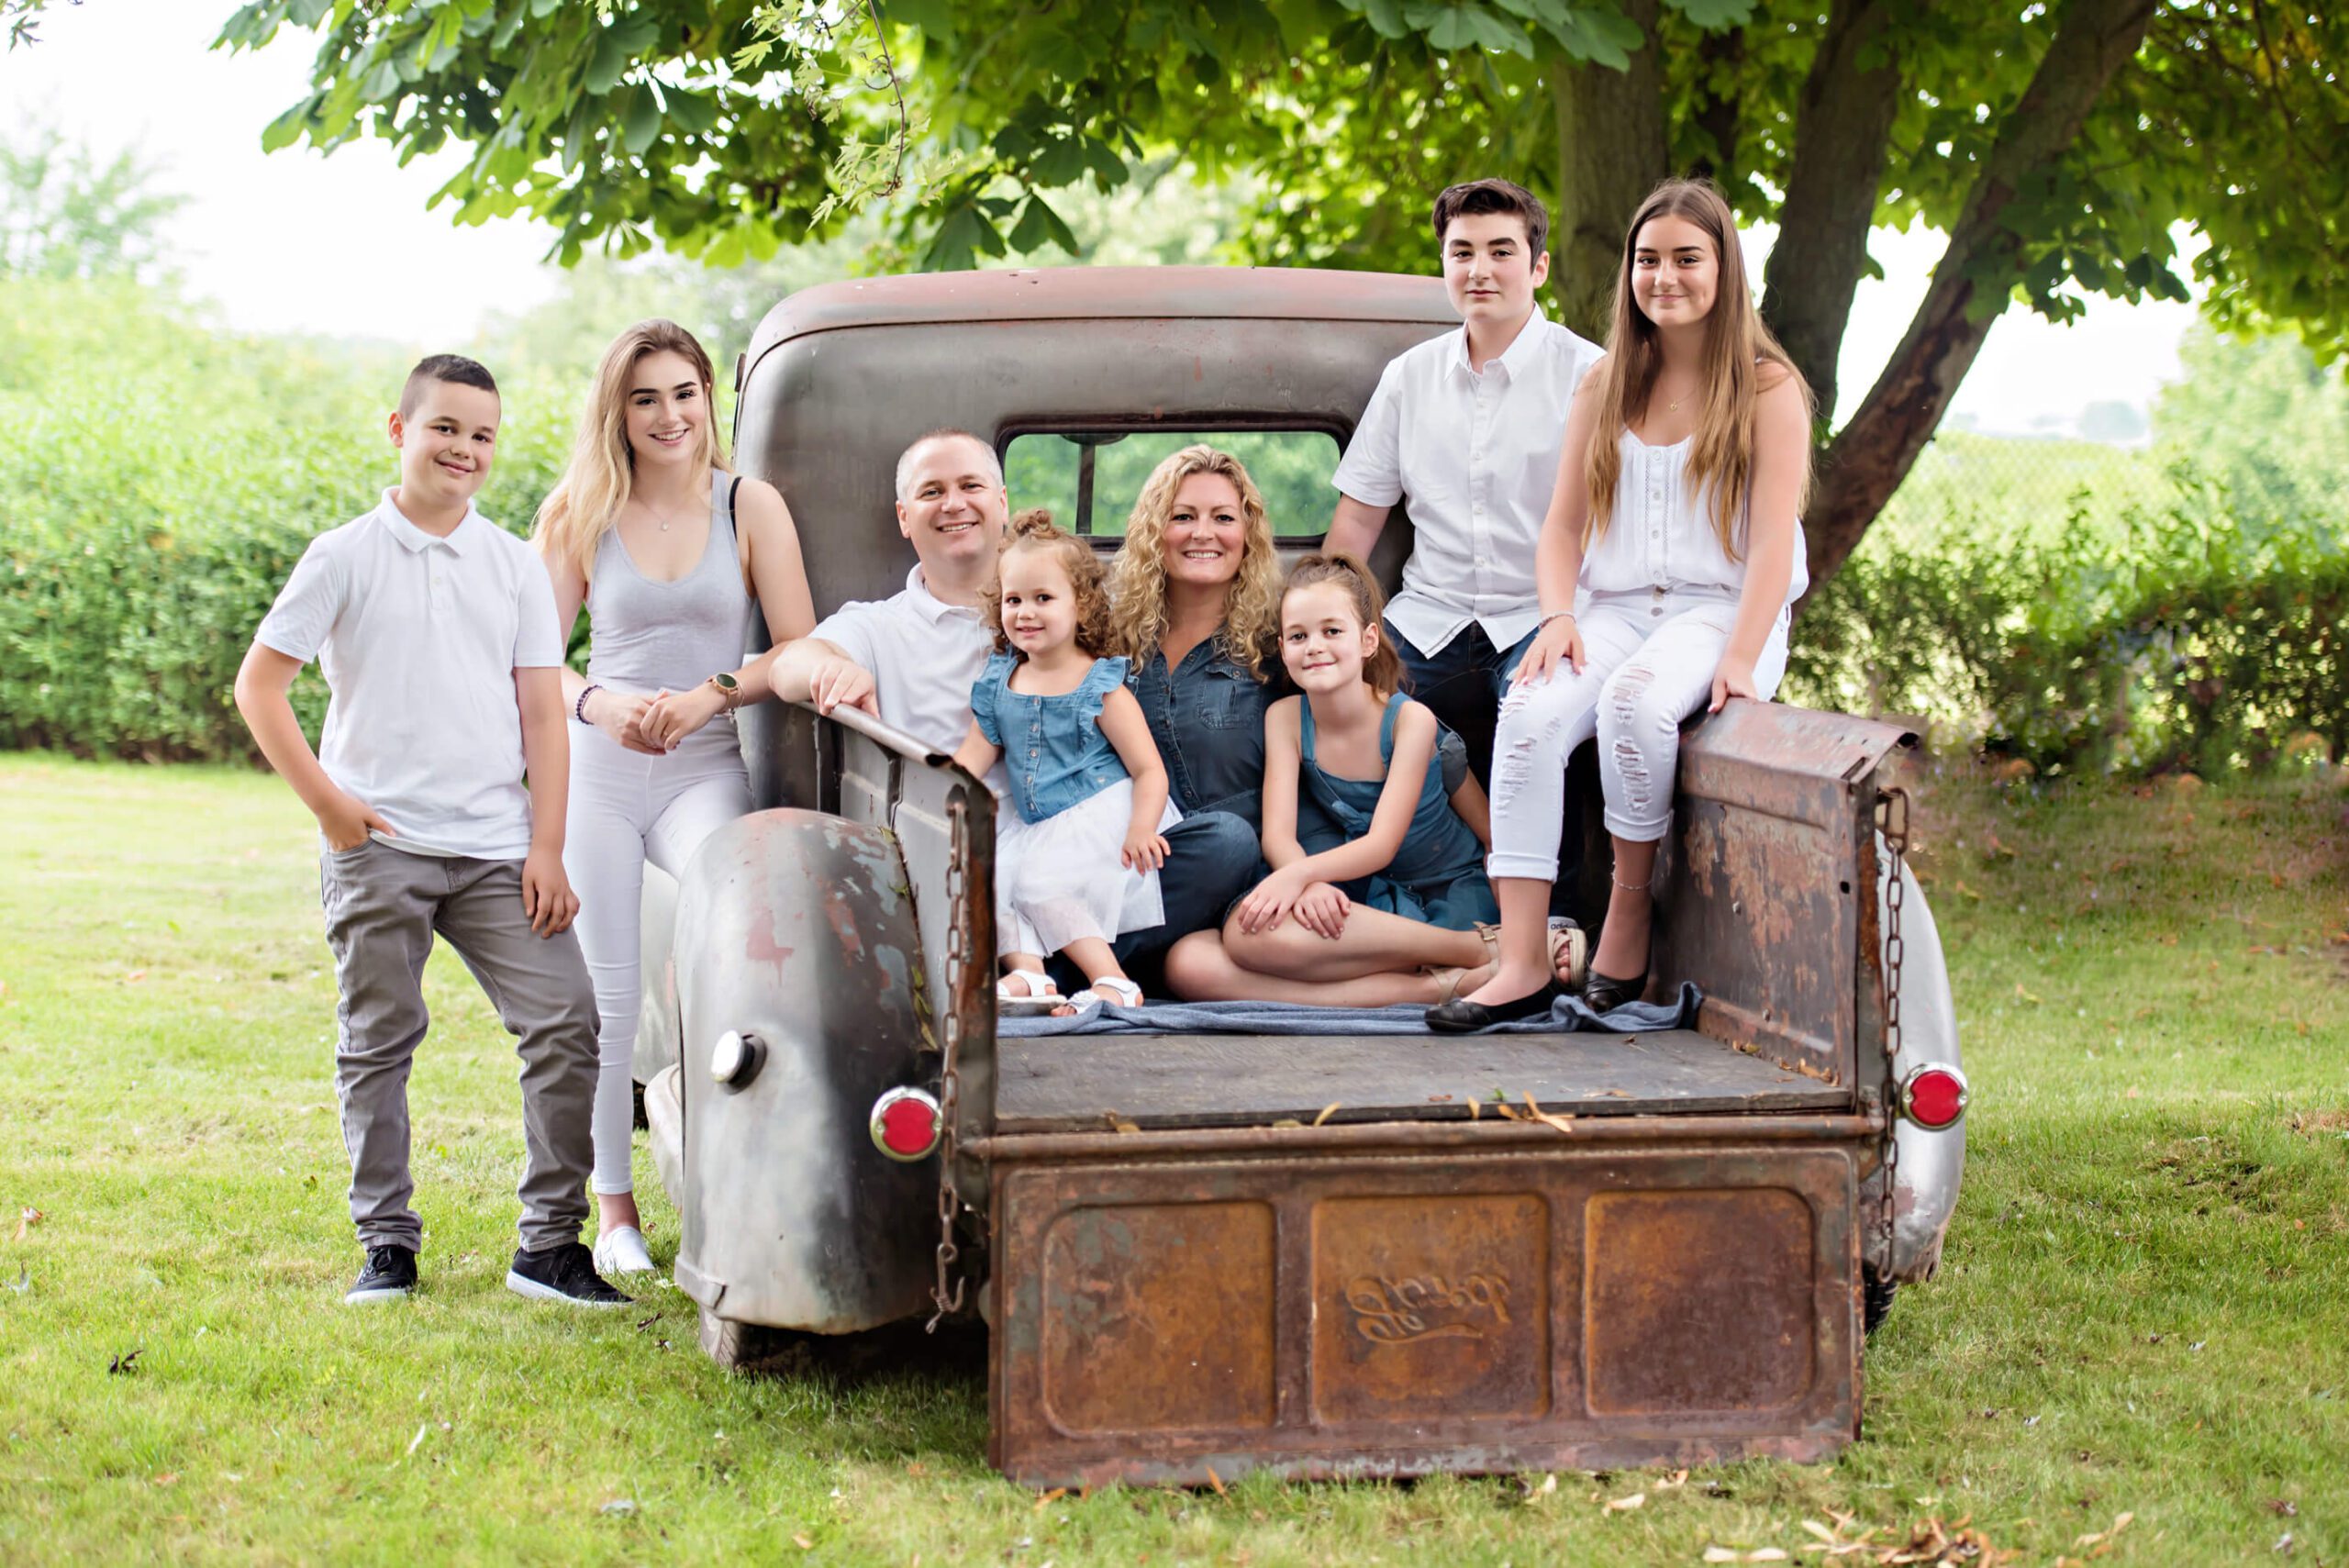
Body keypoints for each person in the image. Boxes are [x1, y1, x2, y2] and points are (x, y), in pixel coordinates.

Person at [232, 353, 629, 1309]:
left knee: (567, 1020)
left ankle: (548, 1245)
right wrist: (331, 806)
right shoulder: (343, 555)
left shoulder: (513, 568)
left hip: (497, 849)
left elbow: (542, 712)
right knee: (378, 1040)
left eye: (483, 434)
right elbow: (261, 687)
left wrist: (546, 844)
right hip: (380, 847)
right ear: (400, 429)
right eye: (446, 426)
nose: (464, 447)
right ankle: (387, 1243)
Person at [1429, 177, 1811, 1032]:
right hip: (1611, 609)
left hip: (1721, 610)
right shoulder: (1606, 383)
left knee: (1635, 705)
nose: (1663, 276)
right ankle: (1523, 961)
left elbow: (1776, 545)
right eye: (1647, 259)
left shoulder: (1766, 387)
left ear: (1725, 268)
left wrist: (1744, 657)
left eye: (1687, 258)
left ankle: (1628, 915)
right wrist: (1558, 615)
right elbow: (1562, 525)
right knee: (1526, 710)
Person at [530, 320, 816, 1279]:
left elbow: (794, 647)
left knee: (737, 973)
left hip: (704, 766)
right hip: (599, 773)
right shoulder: (579, 508)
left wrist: (708, 694)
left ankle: (726, 1183)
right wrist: (600, 700)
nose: (668, 415)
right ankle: (615, 1214)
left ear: (708, 400)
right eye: (645, 397)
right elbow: (527, 661)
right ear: (617, 408)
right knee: (606, 993)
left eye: (683, 393)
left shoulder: (750, 504)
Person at [1166, 556, 1584, 1007]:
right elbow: (1279, 835)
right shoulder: (1285, 718)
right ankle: (1445, 983)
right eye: (1298, 636)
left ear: (1367, 640)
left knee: (1254, 942)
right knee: (1195, 960)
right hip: (1358, 893)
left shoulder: (1410, 721)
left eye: (1332, 631)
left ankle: (1479, 948)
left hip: (1443, 895)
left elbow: (1382, 844)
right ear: (1283, 650)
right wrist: (1304, 883)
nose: (1314, 647)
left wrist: (1301, 875)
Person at [1323, 177, 1606, 787]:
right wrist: (1327, 616)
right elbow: (1359, 519)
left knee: (1543, 734)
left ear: (1539, 266)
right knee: (1339, 706)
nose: (1480, 269)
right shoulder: (1410, 377)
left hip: (1546, 614)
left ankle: (1541, 884)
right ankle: (1399, 877)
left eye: (1502, 251)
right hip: (1429, 614)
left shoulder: (1590, 374)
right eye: (1462, 253)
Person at [952, 511, 1179, 1011]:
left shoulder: (1099, 686)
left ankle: (1112, 980)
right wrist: (940, 797)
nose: (1025, 612)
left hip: (1101, 810)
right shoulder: (999, 683)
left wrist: (1142, 828)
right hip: (1040, 824)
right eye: (1014, 600)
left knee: (1037, 884)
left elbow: (1148, 769)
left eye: (1043, 599)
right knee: (991, 877)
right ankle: (1030, 974)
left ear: (1082, 606)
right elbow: (971, 758)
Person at [1105, 446, 1286, 984]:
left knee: (1228, 839)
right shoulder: (1111, 645)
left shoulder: (1277, 648)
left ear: (1247, 535)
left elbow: (1377, 722)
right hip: (1134, 869)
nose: (1202, 533)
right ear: (1154, 533)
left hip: (1246, 882)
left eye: (1223, 518)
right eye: (1182, 517)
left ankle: (1080, 971)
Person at [766, 429, 1008, 756]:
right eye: (932, 491)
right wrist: (834, 669)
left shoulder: (1063, 606)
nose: (953, 504)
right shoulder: (877, 625)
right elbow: (786, 667)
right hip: (936, 805)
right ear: (904, 517)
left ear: (1003, 503)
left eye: (971, 486)